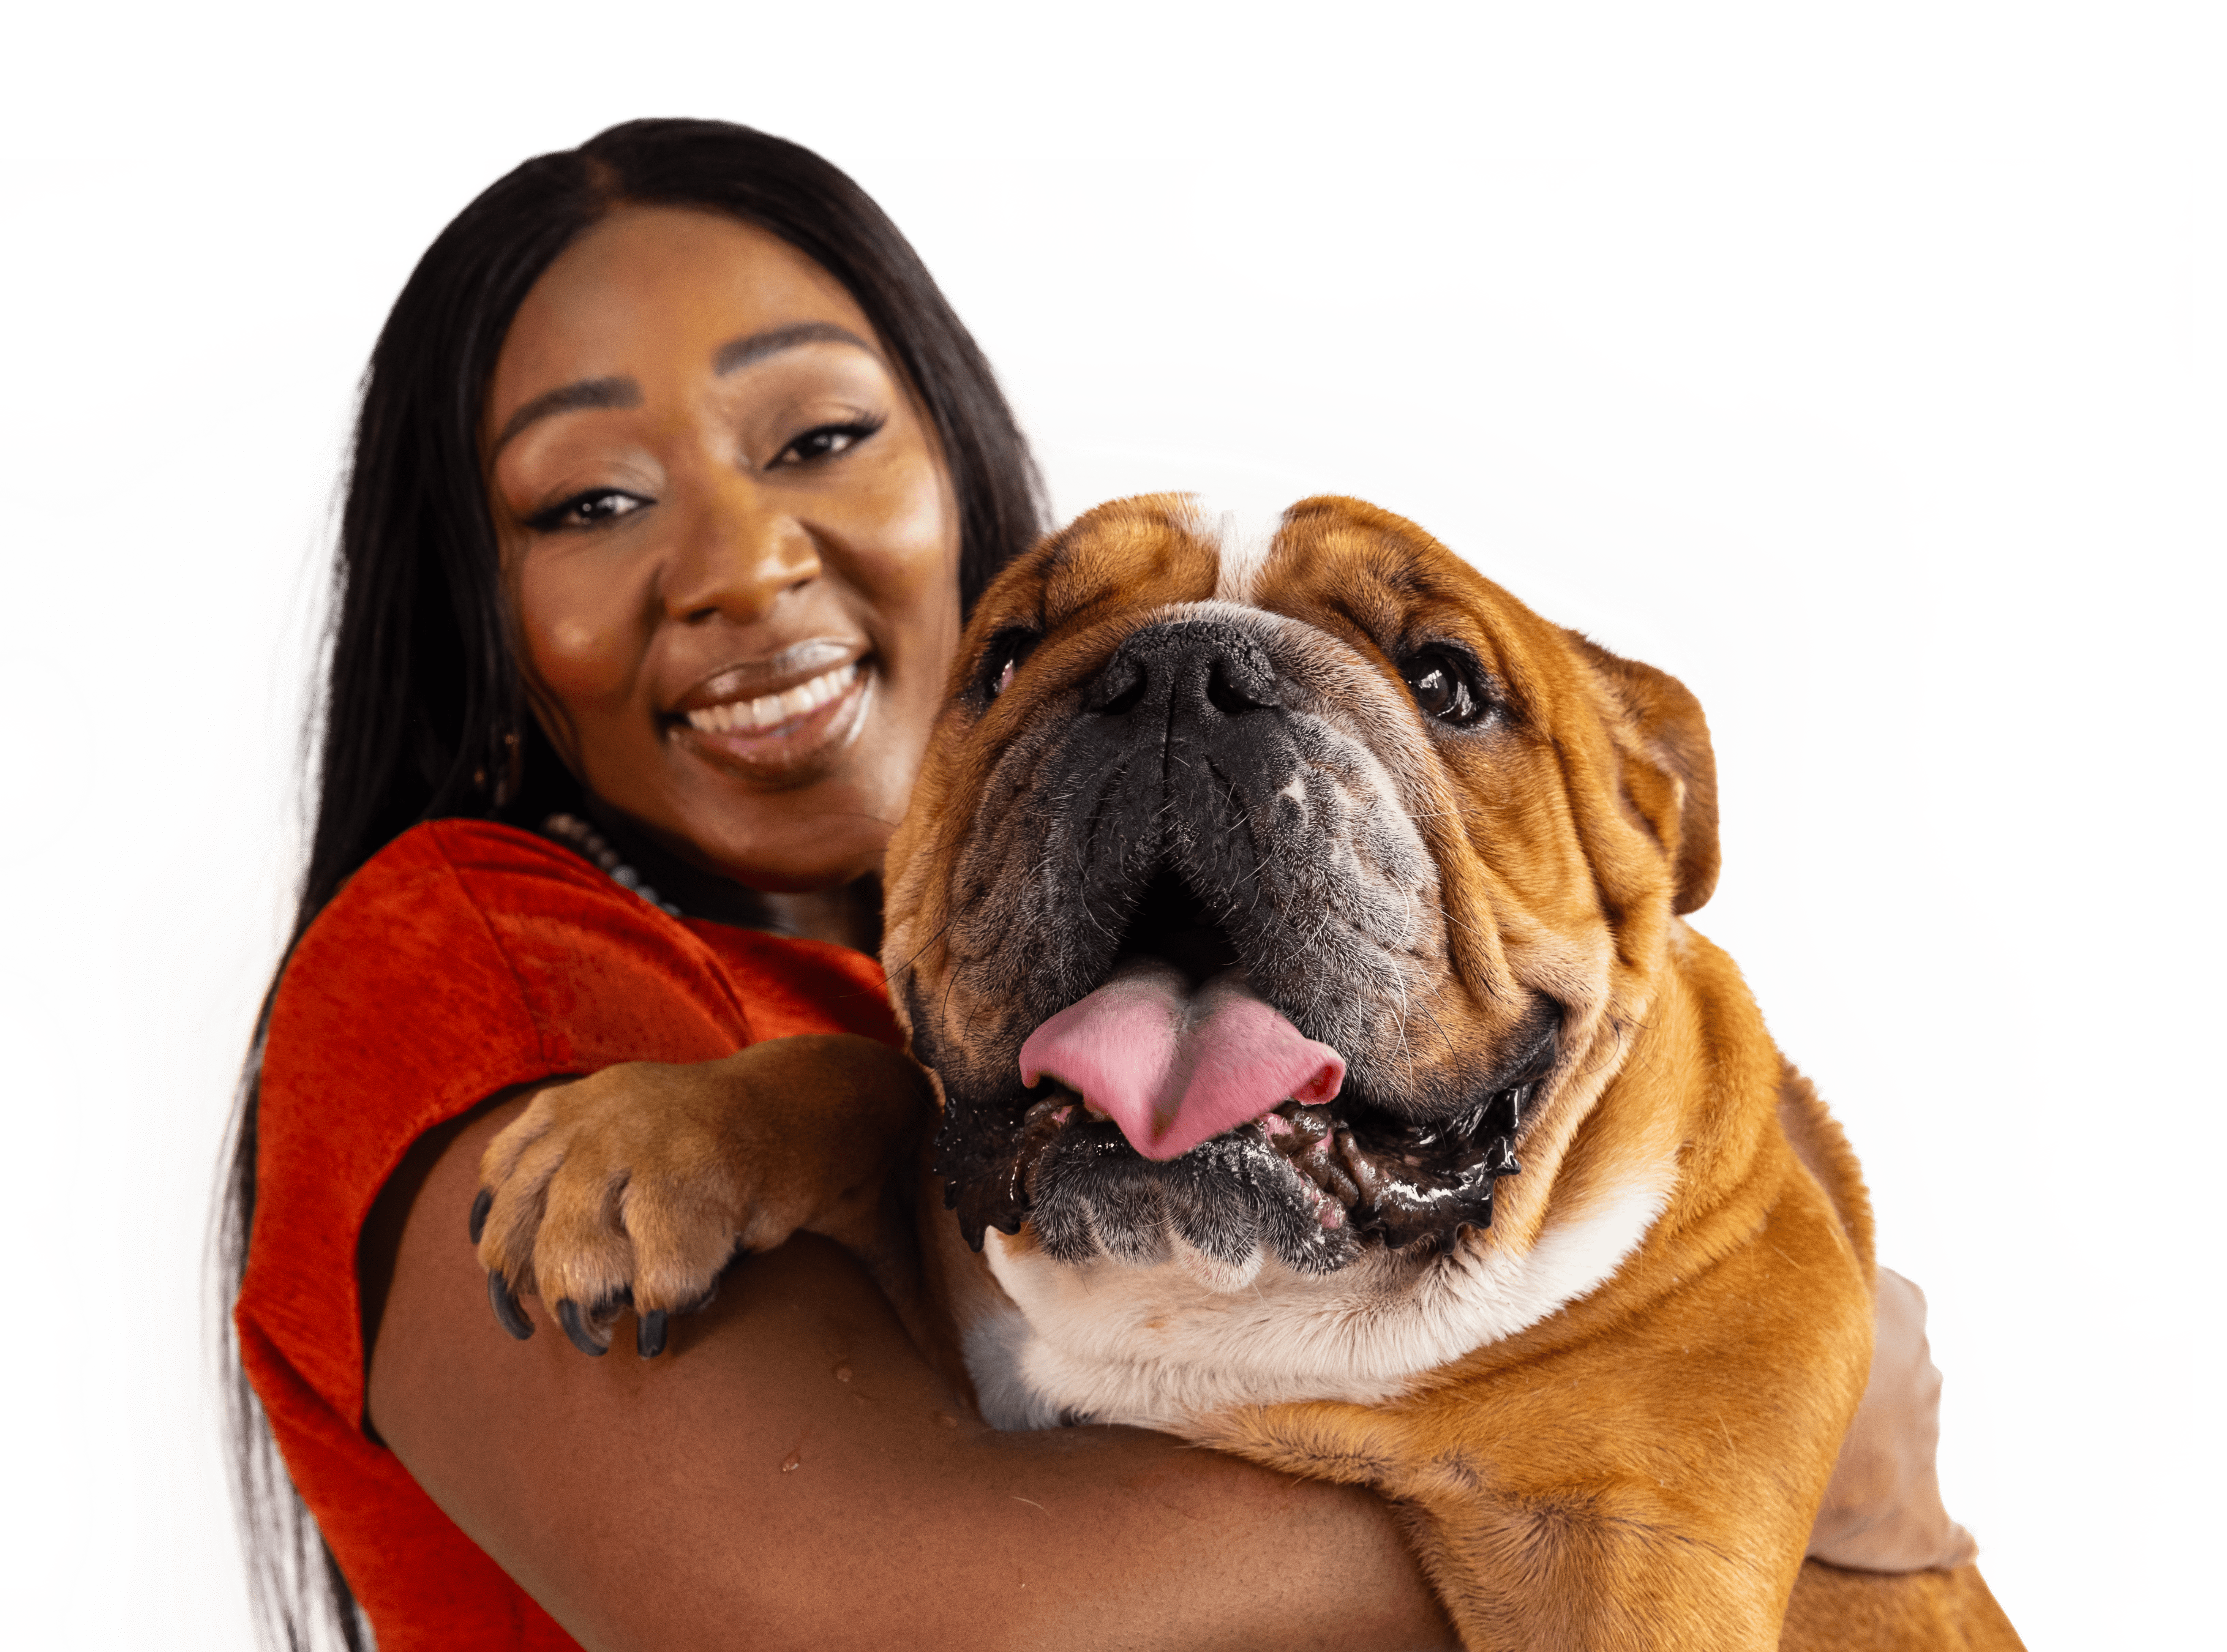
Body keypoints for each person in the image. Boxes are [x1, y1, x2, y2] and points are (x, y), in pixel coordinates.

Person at [218, 116, 1970, 1652]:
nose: (743, 565)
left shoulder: (908, 1009)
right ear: (480, 619)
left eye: (818, 437)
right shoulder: (479, 959)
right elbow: (871, 1615)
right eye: (590, 500)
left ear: (959, 475)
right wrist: (1733, 1456)